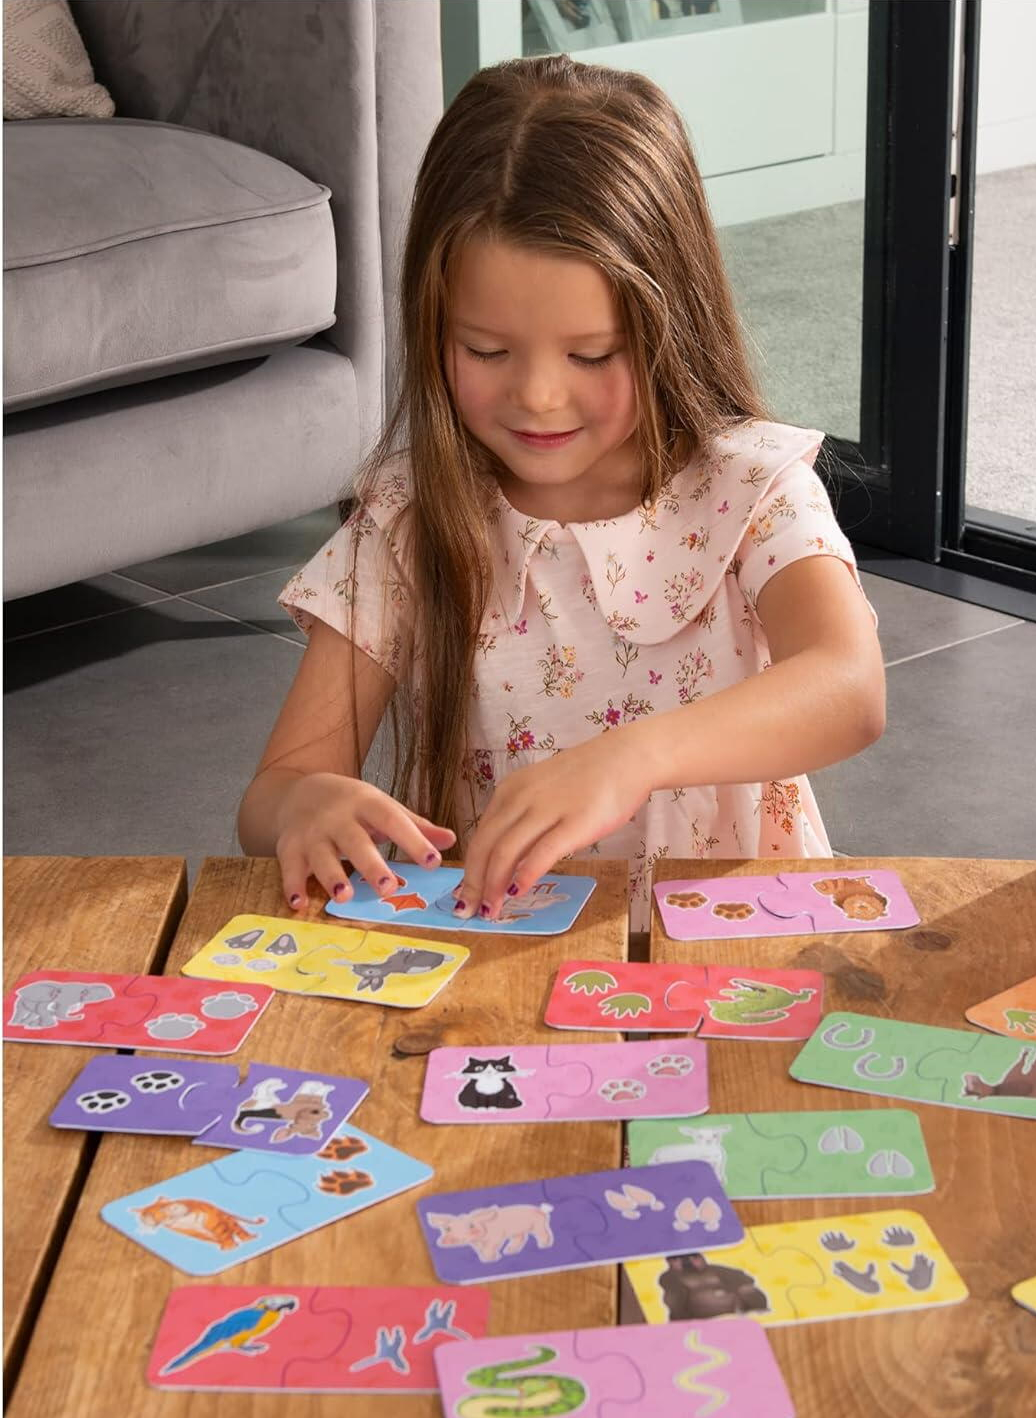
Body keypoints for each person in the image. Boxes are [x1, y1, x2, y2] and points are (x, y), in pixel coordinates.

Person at [237, 55, 885, 930]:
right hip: (507, 953)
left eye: (591, 354)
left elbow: (850, 687)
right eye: (486, 350)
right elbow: (271, 795)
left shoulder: (751, 489)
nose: (539, 396)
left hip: (732, 946)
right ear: (433, 325)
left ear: (671, 324)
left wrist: (633, 759)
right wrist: (305, 805)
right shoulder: (410, 519)